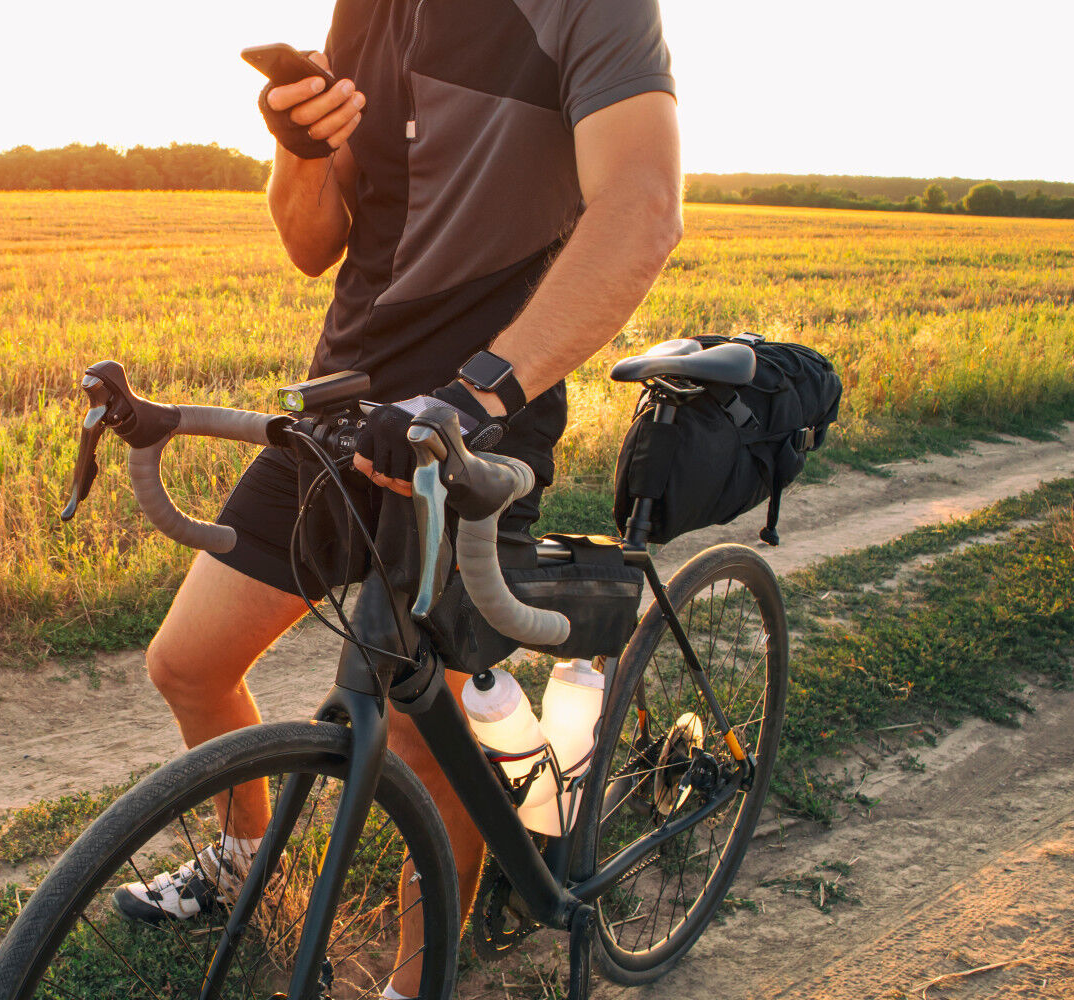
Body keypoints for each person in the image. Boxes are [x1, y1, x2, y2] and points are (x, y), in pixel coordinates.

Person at [113, 1, 681, 996]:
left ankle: (415, 982)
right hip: (339, 406)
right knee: (189, 663)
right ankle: (243, 857)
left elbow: (640, 208)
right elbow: (311, 239)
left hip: (475, 416)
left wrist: (473, 396)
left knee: (423, 731)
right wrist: (297, 146)